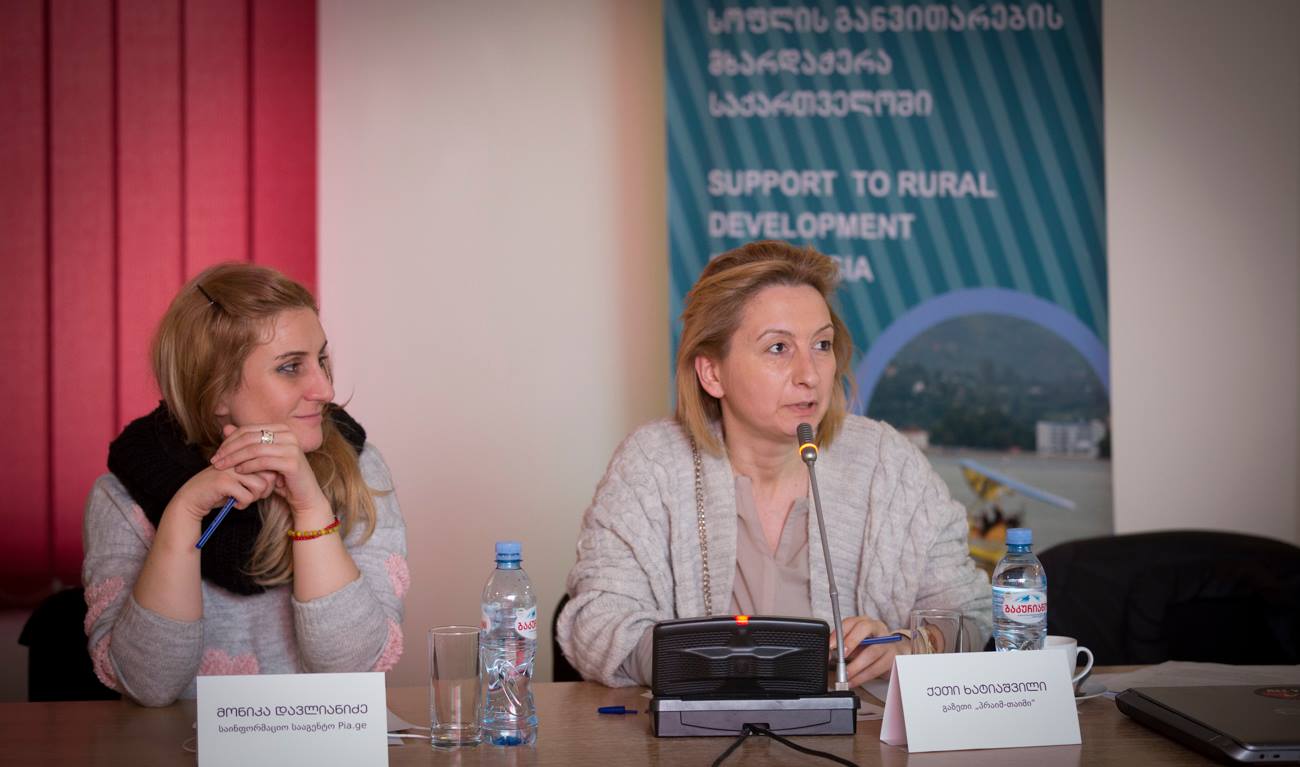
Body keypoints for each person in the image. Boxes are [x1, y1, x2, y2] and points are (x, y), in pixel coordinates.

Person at [557, 240, 990, 688]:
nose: (810, 374)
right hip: (696, 731)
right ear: (712, 374)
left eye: (821, 345)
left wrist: (912, 646)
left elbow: (970, 613)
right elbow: (596, 622)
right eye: (779, 348)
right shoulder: (653, 464)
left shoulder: (887, 464)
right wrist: (705, 661)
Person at [82, 263, 407, 706]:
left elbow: (352, 670)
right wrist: (183, 515)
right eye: (290, 367)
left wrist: (310, 508)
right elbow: (149, 687)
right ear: (214, 391)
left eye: (321, 360)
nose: (324, 389)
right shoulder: (122, 495)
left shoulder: (359, 470)